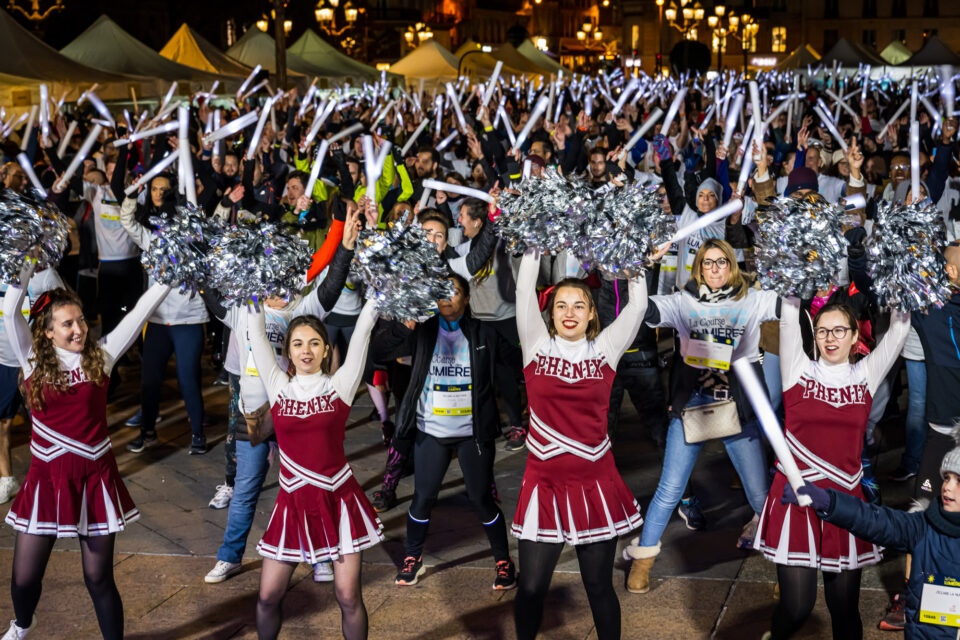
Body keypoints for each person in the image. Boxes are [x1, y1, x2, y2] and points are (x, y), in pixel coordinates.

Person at [1, 261, 170, 640]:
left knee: (98, 577)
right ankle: (23, 624)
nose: (79, 329)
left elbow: (142, 310)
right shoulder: (31, 361)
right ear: (45, 333)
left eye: (80, 320)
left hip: (95, 479)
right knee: (25, 577)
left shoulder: (102, 356)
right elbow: (11, 309)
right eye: (67, 323)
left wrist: (170, 276)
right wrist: (28, 259)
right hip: (47, 480)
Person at [511, 246, 649, 640]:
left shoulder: (604, 350)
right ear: (550, 313)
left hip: (596, 488)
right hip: (544, 487)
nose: (569, 312)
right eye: (561, 306)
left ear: (592, 314)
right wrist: (536, 240)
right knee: (532, 587)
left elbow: (637, 307)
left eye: (579, 305)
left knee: (598, 587)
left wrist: (633, 254)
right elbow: (524, 291)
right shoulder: (535, 345)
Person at [624, 239, 776, 593]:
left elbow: (790, 305)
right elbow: (641, 310)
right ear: (698, 268)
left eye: (722, 261)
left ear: (732, 264)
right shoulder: (683, 301)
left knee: (758, 495)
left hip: (738, 410)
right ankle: (643, 561)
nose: (715, 269)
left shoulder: (751, 299)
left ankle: (786, 563)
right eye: (708, 263)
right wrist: (642, 268)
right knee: (670, 488)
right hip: (692, 407)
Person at [755, 297, 909, 639]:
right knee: (797, 607)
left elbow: (898, 331)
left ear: (855, 337)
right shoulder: (797, 369)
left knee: (844, 610)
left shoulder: (865, 375)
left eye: (840, 330)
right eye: (823, 330)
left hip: (844, 501)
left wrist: (903, 288)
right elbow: (789, 315)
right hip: (797, 496)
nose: (830, 338)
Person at [247, 297, 381, 639]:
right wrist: (250, 290)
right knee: (266, 597)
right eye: (297, 344)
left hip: (338, 501)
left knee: (348, 596)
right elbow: (257, 335)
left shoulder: (340, 386)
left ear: (325, 350)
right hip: (293, 503)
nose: (306, 351)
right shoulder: (278, 387)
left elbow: (364, 331)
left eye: (314, 343)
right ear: (288, 353)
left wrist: (380, 293)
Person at [373, 274, 515, 590]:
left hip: (472, 433)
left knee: (481, 499)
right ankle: (413, 558)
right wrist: (405, 324)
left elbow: (516, 364)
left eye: (454, 291)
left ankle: (504, 561)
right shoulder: (421, 331)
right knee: (422, 498)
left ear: (466, 298)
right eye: (440, 291)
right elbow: (378, 352)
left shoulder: (483, 333)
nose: (446, 296)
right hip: (430, 432)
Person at [781, 433, 960, 640]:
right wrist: (829, 502)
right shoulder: (922, 526)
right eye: (947, 478)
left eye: (959, 481)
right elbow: (875, 520)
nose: (947, 486)